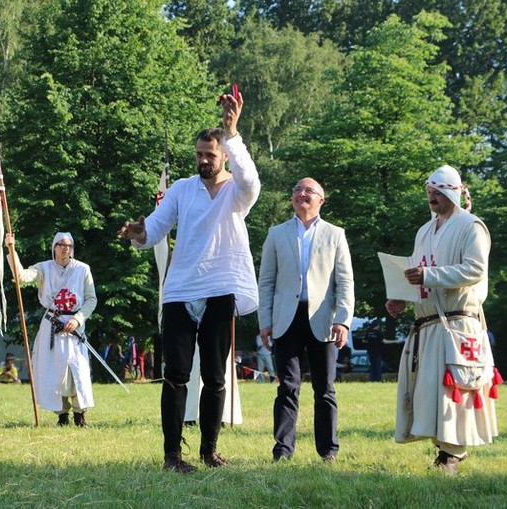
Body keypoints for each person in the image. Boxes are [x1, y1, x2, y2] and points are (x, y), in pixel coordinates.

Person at [117, 90, 259, 472]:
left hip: (221, 288)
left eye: (209, 155)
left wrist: (233, 131)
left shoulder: (236, 192)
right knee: (175, 375)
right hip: (180, 289)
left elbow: (251, 180)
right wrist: (136, 232)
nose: (202, 160)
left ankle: (209, 451)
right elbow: (155, 229)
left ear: (223, 155)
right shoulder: (182, 188)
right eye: (198, 154)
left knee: (214, 376)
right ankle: (171, 456)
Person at [385, 165, 500, 475]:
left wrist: (429, 275)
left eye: (437, 192)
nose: (432, 197)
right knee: (428, 389)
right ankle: (443, 447)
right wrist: (401, 296)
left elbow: (474, 269)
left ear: (453, 192)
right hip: (427, 322)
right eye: (429, 192)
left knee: (454, 389)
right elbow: (418, 273)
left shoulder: (471, 226)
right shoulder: (424, 231)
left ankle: (453, 452)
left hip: (458, 321)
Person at [258, 177, 355, 462]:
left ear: (321, 200)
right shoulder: (276, 234)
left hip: (323, 319)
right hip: (285, 319)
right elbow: (266, 281)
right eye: (297, 190)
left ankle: (328, 452)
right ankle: (283, 451)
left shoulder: (335, 234)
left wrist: (343, 319)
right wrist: (265, 320)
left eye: (309, 191)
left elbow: (345, 281)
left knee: (324, 388)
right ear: (292, 198)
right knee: (287, 386)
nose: (302, 194)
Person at [5, 232, 97, 428]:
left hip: (74, 327)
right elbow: (21, 276)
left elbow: (91, 299)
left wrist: (78, 319)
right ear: (54, 247)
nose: (66, 248)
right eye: (61, 244)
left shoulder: (83, 269)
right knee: (55, 372)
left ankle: (80, 415)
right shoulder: (44, 268)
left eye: (69, 245)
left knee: (77, 370)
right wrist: (11, 250)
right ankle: (62, 415)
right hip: (52, 324)